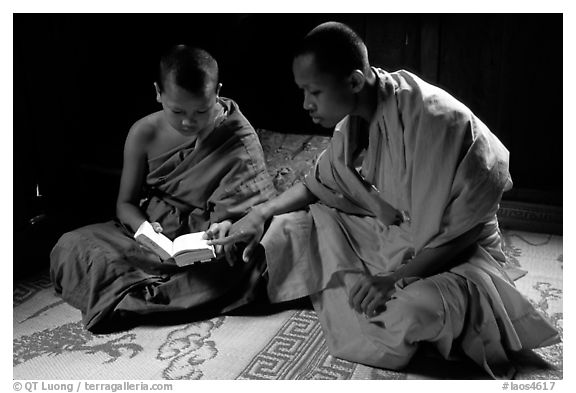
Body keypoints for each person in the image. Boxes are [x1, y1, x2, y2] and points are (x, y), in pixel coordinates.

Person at [208, 22, 560, 378]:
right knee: (288, 227)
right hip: (396, 234)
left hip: (455, 257)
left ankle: (430, 331)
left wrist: (394, 279)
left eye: (313, 92)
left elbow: (464, 232)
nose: (306, 105)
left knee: (414, 312)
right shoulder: (354, 124)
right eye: (302, 92)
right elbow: (319, 183)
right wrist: (259, 212)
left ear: (355, 81)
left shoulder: (435, 120)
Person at [50, 45, 276, 333]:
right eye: (177, 110)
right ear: (158, 92)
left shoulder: (236, 133)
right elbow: (125, 204)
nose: (188, 122)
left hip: (205, 240)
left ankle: (133, 290)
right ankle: (142, 287)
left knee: (241, 266)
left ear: (217, 91)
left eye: (201, 111)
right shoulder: (144, 133)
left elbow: (250, 207)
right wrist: (145, 230)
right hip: (153, 234)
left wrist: (227, 227)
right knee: (72, 245)